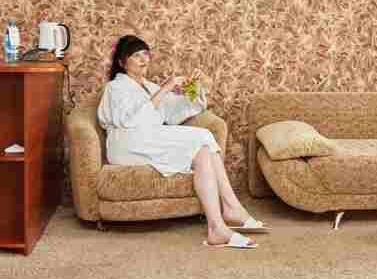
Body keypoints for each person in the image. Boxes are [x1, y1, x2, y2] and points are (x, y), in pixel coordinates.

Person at [98, 35, 268, 249]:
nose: (143, 59)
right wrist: (166, 87)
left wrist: (192, 89)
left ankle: (218, 226)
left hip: (147, 138)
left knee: (203, 148)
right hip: (126, 143)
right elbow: (132, 122)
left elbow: (174, 114)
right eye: (136, 55)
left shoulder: (149, 87)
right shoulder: (115, 88)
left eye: (145, 54)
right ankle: (231, 209)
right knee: (202, 136)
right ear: (122, 62)